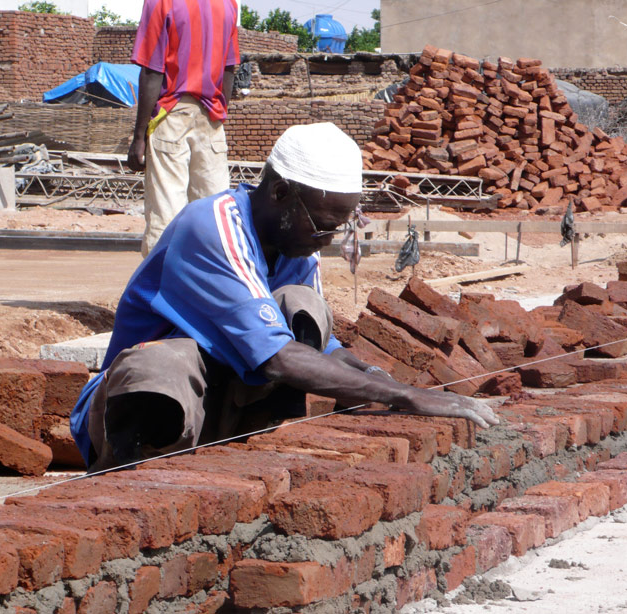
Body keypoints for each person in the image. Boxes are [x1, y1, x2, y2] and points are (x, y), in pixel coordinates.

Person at [71, 123, 499, 472]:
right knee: (166, 363)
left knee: (301, 303)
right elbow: (278, 357)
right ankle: (129, 478)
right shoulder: (212, 227)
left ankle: (245, 457)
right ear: (279, 194)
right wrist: (403, 396)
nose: (327, 240)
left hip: (219, 406)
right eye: (323, 225)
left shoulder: (296, 245)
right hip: (145, 410)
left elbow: (322, 350)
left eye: (337, 228)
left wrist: (381, 380)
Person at [127, 0, 240, 257]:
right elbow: (229, 70)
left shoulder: (162, 2)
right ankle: (211, 279)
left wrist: (139, 137)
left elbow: (152, 72)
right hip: (211, 117)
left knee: (166, 214)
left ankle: (162, 280)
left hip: (171, 116)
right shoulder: (227, 4)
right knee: (214, 216)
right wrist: (218, 115)